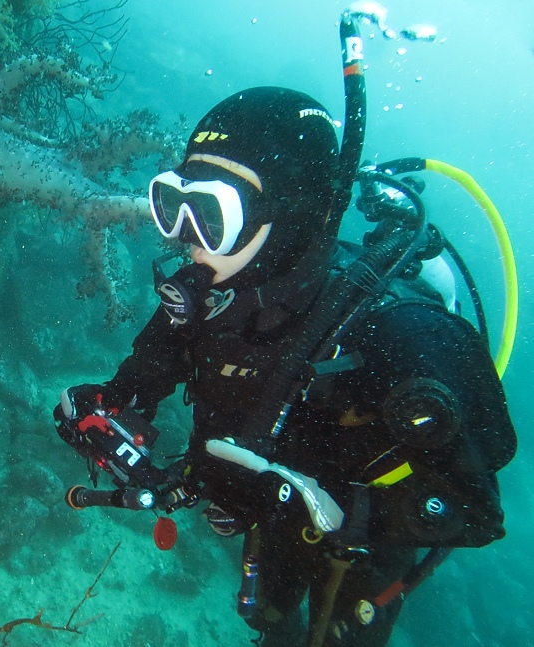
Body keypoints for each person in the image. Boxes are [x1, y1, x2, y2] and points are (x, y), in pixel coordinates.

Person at [55, 87, 516, 647]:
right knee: (269, 618)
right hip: (265, 529)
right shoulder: (213, 293)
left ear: (291, 218)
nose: (187, 239)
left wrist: (326, 496)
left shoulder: (394, 331)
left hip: (355, 554)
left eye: (212, 215)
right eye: (174, 203)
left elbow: (475, 511)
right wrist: (105, 408)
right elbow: (145, 374)